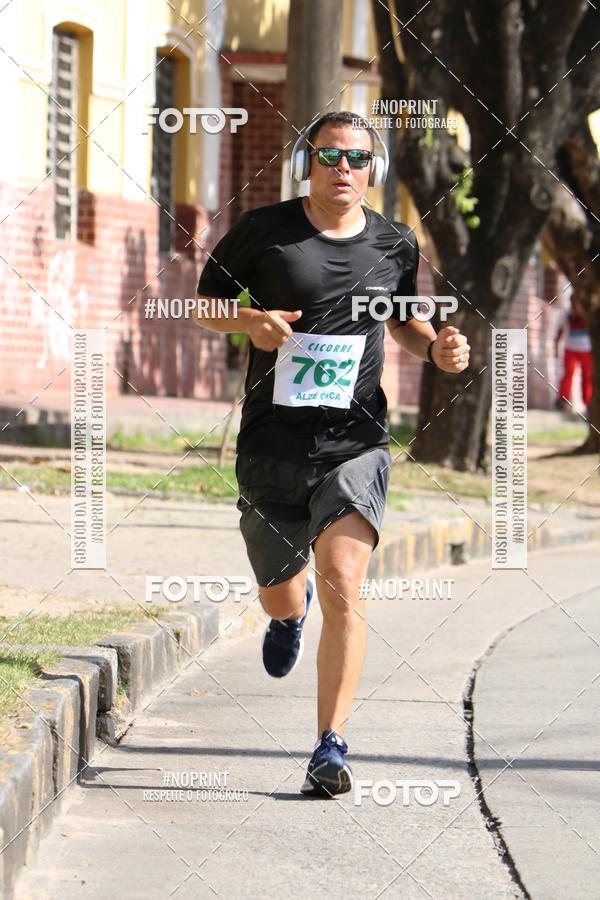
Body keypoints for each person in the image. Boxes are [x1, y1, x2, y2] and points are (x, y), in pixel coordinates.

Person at [194, 111, 470, 798]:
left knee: (346, 578)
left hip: (356, 441)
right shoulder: (265, 233)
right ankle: (289, 614)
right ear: (305, 163)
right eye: (327, 155)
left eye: (356, 157)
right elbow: (201, 305)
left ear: (371, 170)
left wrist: (437, 348)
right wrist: (248, 321)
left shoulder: (394, 242)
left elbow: (406, 320)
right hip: (271, 443)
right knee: (280, 588)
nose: (342, 168)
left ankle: (330, 745)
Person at [555, 295, 593, 410]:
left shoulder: (588, 314)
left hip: (586, 349)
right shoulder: (566, 313)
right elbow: (560, 331)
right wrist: (555, 346)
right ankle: (562, 399)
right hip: (570, 348)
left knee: (587, 375)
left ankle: (588, 401)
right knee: (568, 374)